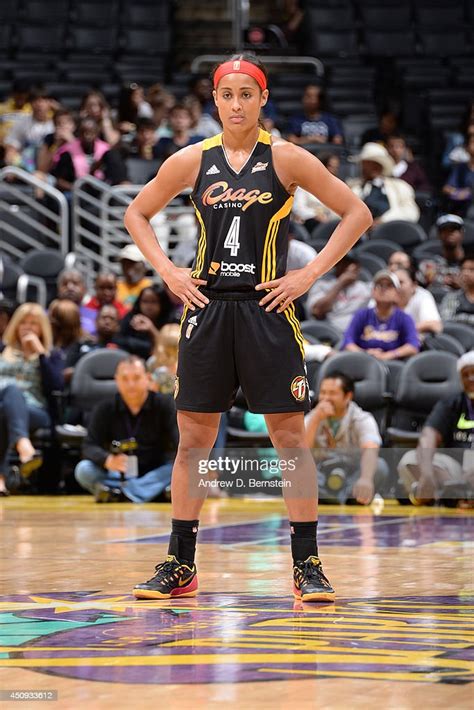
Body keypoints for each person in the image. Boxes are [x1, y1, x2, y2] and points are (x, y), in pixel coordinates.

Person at [124, 53, 372, 602]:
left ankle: (307, 565)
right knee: (193, 442)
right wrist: (166, 271)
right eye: (226, 94)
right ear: (214, 101)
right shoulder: (191, 160)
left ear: (261, 100)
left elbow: (357, 213)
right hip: (206, 308)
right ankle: (180, 564)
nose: (236, 103)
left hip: (268, 309)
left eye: (246, 94)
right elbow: (136, 213)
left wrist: (308, 275)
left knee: (288, 439)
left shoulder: (287, 158)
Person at [74, 355, 178, 503]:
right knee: (83, 470)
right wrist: (107, 459)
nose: (131, 384)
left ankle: (121, 494)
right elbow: (89, 445)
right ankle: (147, 493)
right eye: (124, 379)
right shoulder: (105, 408)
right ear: (116, 380)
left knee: (181, 467)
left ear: (148, 378)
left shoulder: (165, 405)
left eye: (136, 378)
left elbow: (179, 441)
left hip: (156, 470)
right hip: (119, 472)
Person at [0, 303, 63, 495]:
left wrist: (41, 354)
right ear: (15, 325)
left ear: (42, 328)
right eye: (23, 323)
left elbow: (57, 386)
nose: (27, 327)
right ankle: (5, 474)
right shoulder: (3, 349)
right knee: (4, 409)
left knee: (12, 390)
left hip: (35, 410)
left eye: (34, 323)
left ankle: (21, 446)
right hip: (2, 406)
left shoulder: (52, 355)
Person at [397, 351, 474, 505]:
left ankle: (454, 495)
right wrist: (426, 473)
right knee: (410, 460)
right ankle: (453, 493)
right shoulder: (451, 403)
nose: (471, 378)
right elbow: (428, 436)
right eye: (466, 374)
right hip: (454, 471)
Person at [305, 372, 388, 505]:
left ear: (348, 396)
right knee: (295, 467)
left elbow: (371, 448)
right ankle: (338, 499)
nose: (326, 398)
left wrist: (366, 479)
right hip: (322, 473)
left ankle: (341, 498)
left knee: (379, 466)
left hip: (351, 473)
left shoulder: (362, 418)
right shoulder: (313, 417)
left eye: (332, 393)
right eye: (323, 392)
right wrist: (315, 420)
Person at [342, 270, 420, 361]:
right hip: (362, 363)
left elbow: (413, 346)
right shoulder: (361, 315)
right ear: (373, 291)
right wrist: (364, 354)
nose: (383, 289)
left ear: (396, 293)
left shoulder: (404, 318)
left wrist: (389, 355)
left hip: (393, 365)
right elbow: (347, 342)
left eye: (389, 286)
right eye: (379, 285)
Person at [347, 142, 420, 225]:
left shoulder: (400, 187)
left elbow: (411, 212)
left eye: (376, 163)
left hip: (389, 232)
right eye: (368, 163)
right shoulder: (352, 187)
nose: (372, 166)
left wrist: (383, 221)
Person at [306, 252, 371, 332]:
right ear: (336, 265)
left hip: (358, 334)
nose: (349, 267)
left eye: (352, 263)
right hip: (330, 333)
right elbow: (317, 311)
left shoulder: (365, 288)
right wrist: (340, 284)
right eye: (345, 263)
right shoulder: (323, 284)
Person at [4, 86, 54, 172]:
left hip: (49, 169)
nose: (40, 104)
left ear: (50, 103)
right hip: (24, 168)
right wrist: (12, 162)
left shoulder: (55, 124)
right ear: (30, 103)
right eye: (36, 100)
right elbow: (11, 148)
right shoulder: (22, 122)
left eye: (44, 100)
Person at [119, 284, 175, 359]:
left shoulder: (171, 319)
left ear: (162, 303)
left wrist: (151, 329)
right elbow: (119, 339)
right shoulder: (131, 317)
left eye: (153, 302)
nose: (148, 306)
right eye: (145, 301)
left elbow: (169, 348)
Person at [418, 214, 465, 291]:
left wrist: (465, 286)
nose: (450, 233)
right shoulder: (429, 265)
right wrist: (437, 280)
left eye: (453, 229)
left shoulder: (470, 266)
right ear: (439, 235)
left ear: (461, 233)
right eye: (445, 230)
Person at [393, 267, 442, 335]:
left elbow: (435, 325)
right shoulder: (383, 295)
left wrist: (402, 331)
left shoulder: (422, 296)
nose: (396, 286)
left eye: (400, 282)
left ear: (414, 285)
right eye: (393, 283)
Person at [442, 134, 474, 217]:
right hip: (461, 207)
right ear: (466, 148)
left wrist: (469, 192)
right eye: (472, 142)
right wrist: (456, 192)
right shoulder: (461, 167)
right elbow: (446, 188)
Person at [439, 254, 474, 326]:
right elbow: (445, 320)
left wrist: (460, 318)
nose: (465, 273)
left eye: (471, 269)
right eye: (463, 269)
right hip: (456, 336)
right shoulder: (452, 297)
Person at [116, 244, 153, 311]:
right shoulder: (115, 287)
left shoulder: (151, 288)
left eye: (132, 263)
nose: (128, 267)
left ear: (144, 266)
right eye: (124, 263)